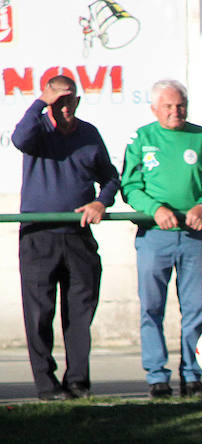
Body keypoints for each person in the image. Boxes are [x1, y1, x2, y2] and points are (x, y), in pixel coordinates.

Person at [11, 75, 120, 401]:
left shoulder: (89, 134)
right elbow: (19, 139)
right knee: (39, 315)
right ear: (48, 102)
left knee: (80, 316)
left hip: (78, 237)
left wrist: (102, 201)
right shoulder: (38, 131)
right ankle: (47, 386)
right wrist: (41, 103)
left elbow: (111, 177)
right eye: (57, 101)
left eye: (69, 99)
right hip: (38, 237)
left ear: (77, 101)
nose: (64, 107)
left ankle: (77, 384)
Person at [122, 80, 202, 400]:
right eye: (167, 106)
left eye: (180, 105)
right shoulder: (142, 139)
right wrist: (154, 209)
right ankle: (157, 377)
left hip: (193, 238)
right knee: (151, 308)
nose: (175, 111)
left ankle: (192, 376)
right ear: (154, 108)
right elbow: (130, 186)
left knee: (194, 310)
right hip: (154, 237)